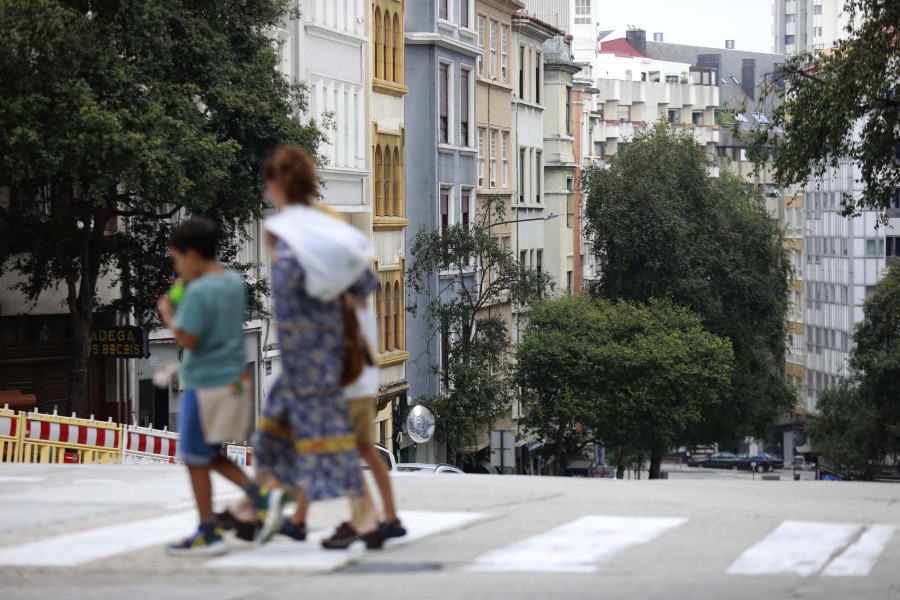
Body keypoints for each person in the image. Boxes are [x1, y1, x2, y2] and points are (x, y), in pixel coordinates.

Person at [250, 145, 378, 546]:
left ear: (276, 185)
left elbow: (293, 291)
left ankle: (365, 520)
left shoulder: (285, 233)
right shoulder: (330, 228)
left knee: (323, 439)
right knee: (290, 432)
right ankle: (268, 509)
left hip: (309, 356)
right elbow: (364, 286)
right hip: (322, 350)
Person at [159, 218, 283, 557]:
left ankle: (208, 531)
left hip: (204, 383)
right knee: (210, 454)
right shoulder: (232, 281)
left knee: (194, 457)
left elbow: (188, 338)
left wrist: (169, 312)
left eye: (178, 258)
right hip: (233, 380)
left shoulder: (198, 292)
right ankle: (262, 496)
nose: (177, 266)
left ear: (193, 254)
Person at [283, 298, 407, 549]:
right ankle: (383, 517)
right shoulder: (353, 290)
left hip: (344, 388)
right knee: (353, 451)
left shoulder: (340, 294)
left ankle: (364, 518)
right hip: (357, 385)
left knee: (332, 451)